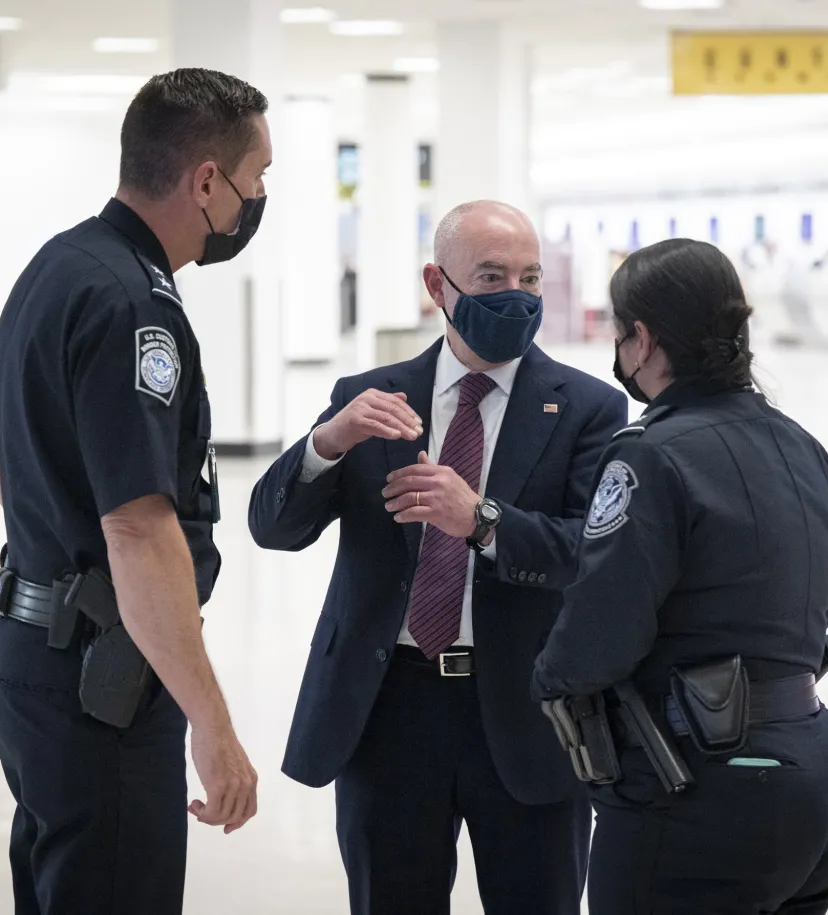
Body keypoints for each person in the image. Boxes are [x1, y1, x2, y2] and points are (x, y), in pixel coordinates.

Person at [248, 201, 628, 915]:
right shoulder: (370, 399)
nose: (514, 294)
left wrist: (481, 520)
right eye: (491, 276)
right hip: (389, 708)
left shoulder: (587, 409)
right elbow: (272, 527)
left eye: (529, 277)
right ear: (438, 284)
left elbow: (593, 556)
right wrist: (327, 443)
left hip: (526, 715)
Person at [0, 69, 271, 915]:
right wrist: (212, 722)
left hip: (29, 656)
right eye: (257, 181)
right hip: (101, 684)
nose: (257, 201)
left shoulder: (61, 262)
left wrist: (54, 544)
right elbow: (138, 530)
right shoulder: (137, 304)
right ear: (207, 179)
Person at [532, 239, 828, 914]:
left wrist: (544, 679)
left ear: (643, 339)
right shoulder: (800, 444)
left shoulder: (650, 457)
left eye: (619, 332)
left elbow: (600, 634)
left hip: (704, 802)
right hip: (826, 782)